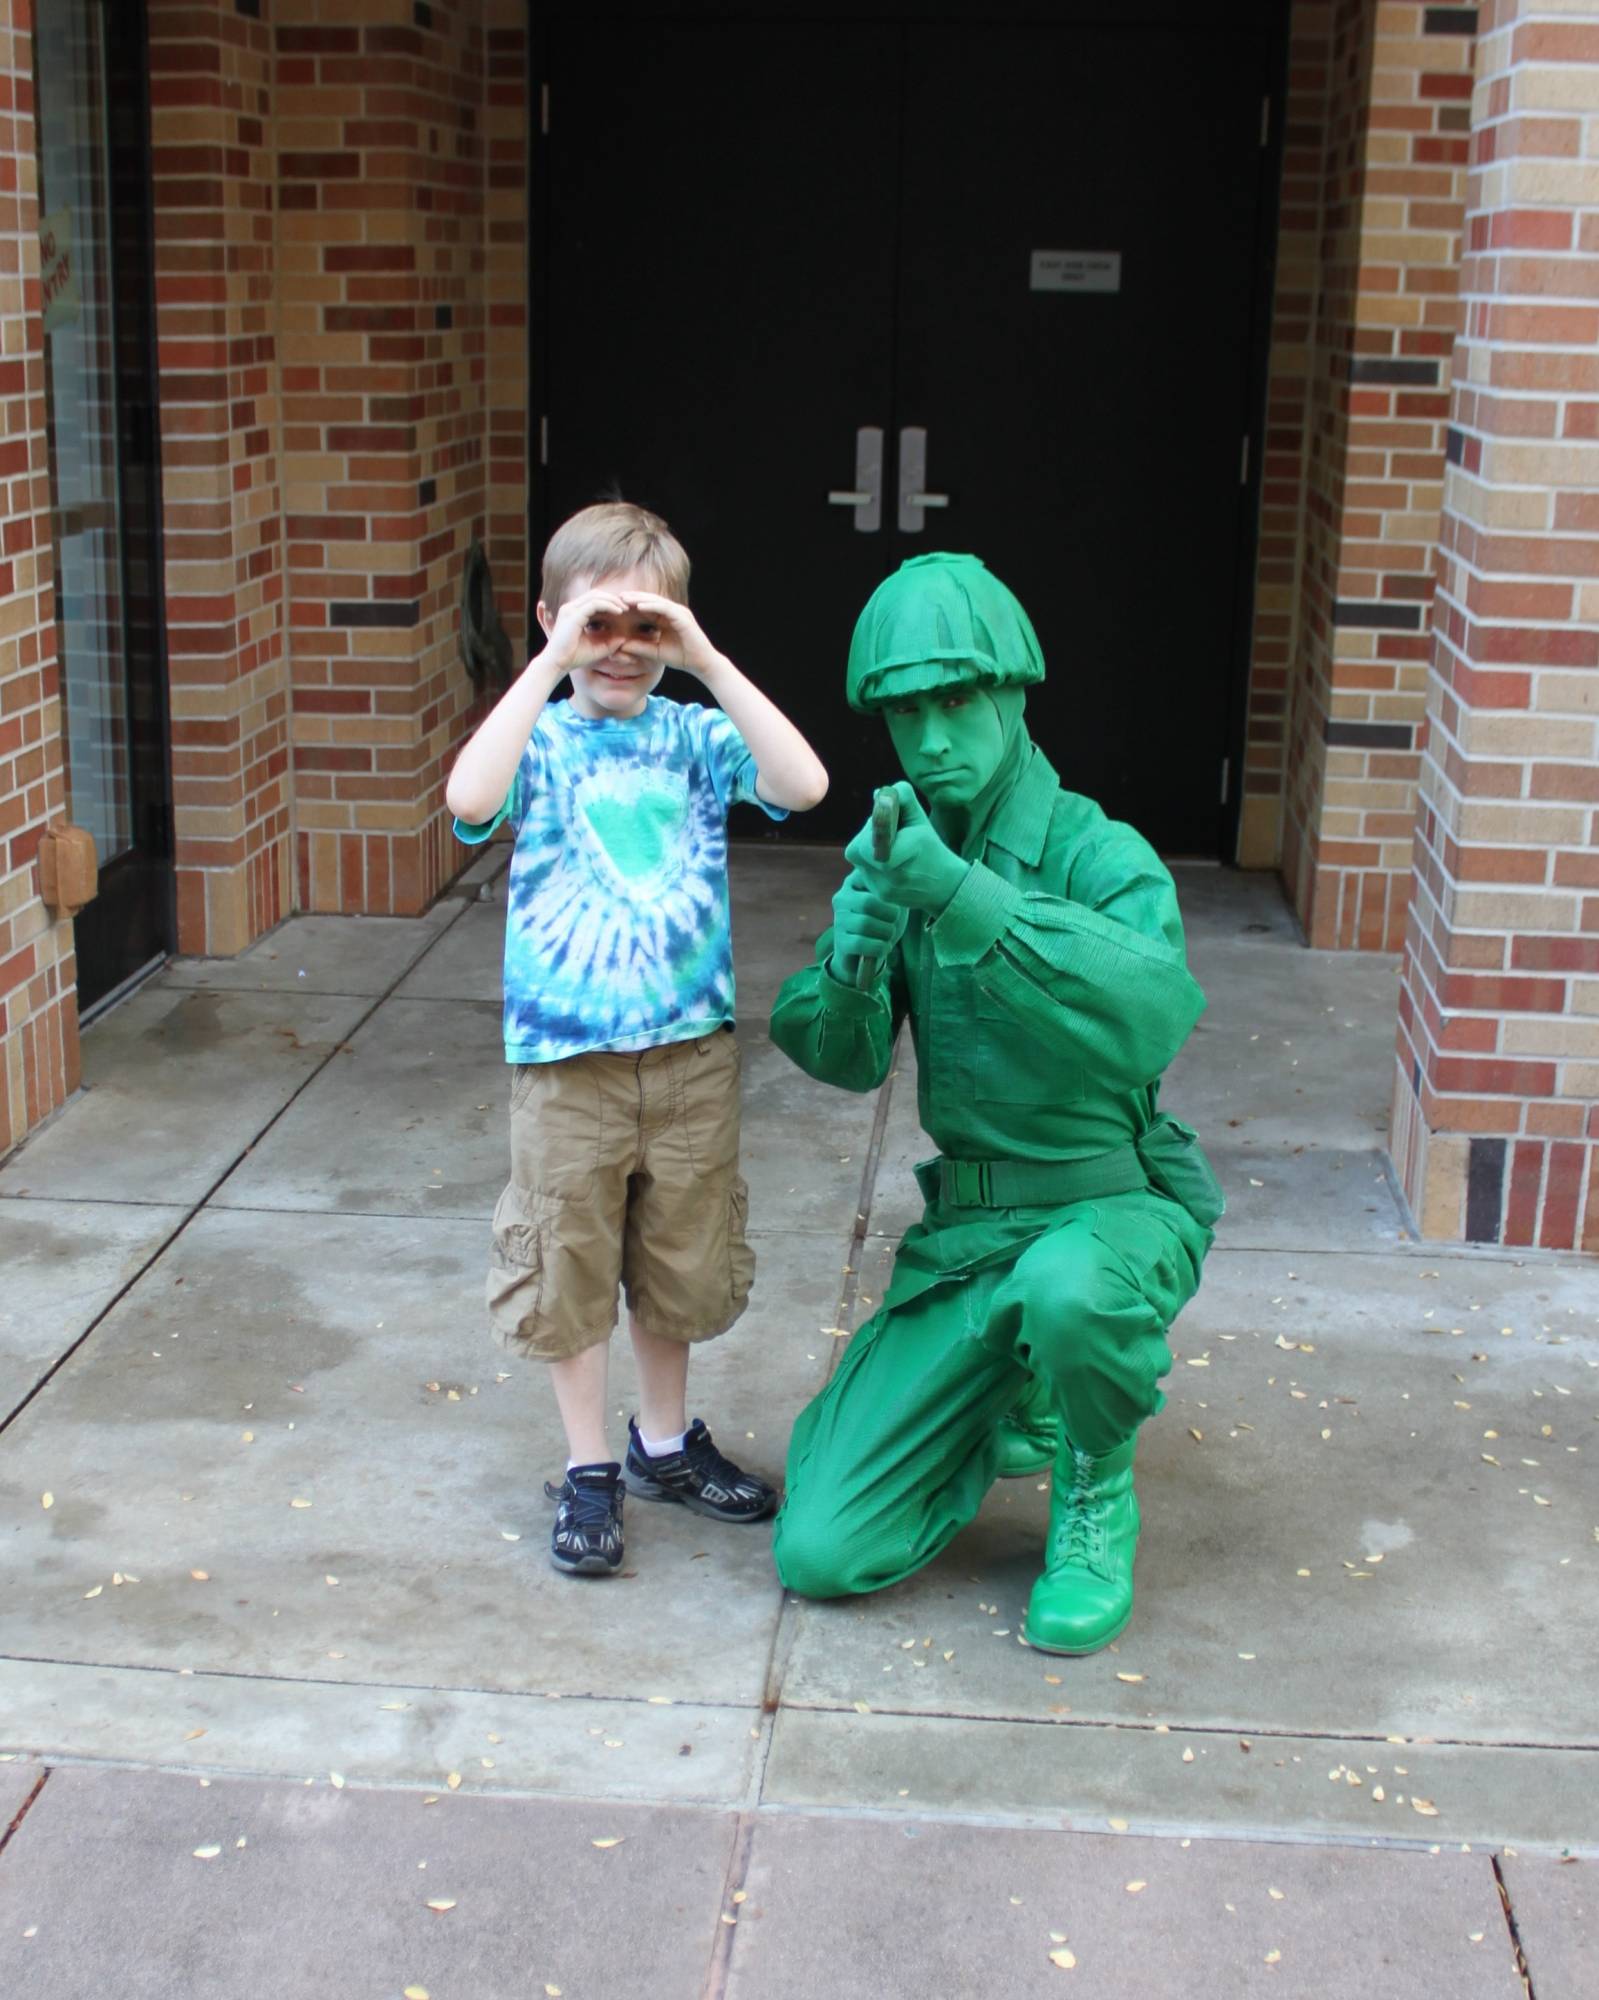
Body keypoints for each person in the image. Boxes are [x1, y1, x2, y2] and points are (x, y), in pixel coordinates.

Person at [767, 553, 1222, 1653]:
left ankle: (1095, 1486)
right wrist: (857, 964)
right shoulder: (905, 846)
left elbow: (1157, 1010)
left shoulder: (1097, 853)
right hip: (968, 1240)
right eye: (906, 709)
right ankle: (1015, 1385)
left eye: (957, 699)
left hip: (1109, 1205)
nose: (931, 739)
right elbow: (840, 1057)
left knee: (1069, 1289)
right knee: (818, 1548)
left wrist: (963, 895)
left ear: (1015, 688)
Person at [446, 500, 828, 1576]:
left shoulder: (698, 736)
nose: (621, 650)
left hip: (688, 1055)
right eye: (597, 625)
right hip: (565, 1064)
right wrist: (545, 666)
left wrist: (704, 656)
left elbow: (804, 783)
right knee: (567, 1263)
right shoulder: (540, 738)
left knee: (680, 1259)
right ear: (553, 622)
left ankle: (661, 1440)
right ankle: (587, 1466)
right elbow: (466, 797)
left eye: (644, 627)